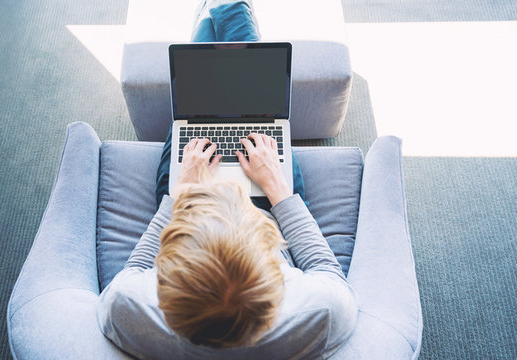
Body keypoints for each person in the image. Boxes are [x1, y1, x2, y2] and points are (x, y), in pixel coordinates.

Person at [96, 1, 357, 359]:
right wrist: (279, 193)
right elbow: (326, 269)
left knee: (196, 111)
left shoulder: (126, 308)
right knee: (259, 110)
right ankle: (228, 7)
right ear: (274, 284)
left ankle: (215, 11)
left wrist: (182, 194)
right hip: (271, 203)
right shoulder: (322, 313)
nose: (231, 195)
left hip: (187, 198)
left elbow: (135, 270)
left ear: (166, 292)